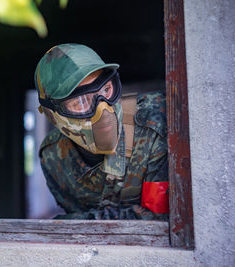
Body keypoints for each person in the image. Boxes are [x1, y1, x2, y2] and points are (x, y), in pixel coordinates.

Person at [35, 43, 168, 220]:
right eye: (81, 102)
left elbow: (163, 222)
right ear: (53, 116)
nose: (103, 108)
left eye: (106, 90)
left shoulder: (155, 124)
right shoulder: (54, 156)